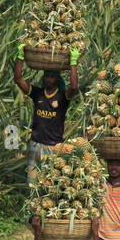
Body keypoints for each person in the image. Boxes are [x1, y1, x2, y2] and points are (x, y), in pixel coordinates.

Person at [13, 43, 80, 182]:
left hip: (54, 146)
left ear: (57, 79)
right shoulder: (38, 94)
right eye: (46, 76)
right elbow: (18, 79)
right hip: (36, 145)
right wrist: (20, 57)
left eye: (51, 76)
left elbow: (74, 86)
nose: (48, 79)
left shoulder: (62, 97)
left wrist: (73, 63)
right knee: (32, 182)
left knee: (50, 182)